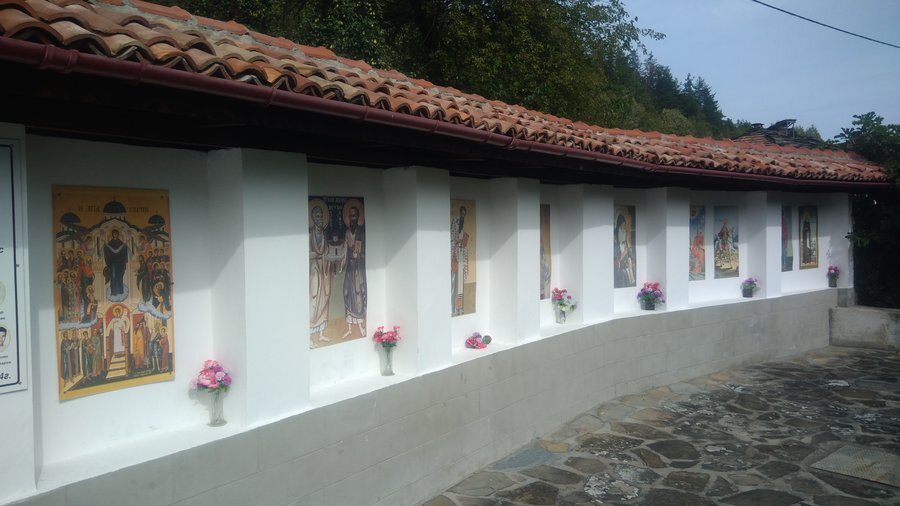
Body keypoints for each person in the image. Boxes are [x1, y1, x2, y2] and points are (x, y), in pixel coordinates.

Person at [341, 205, 366, 338]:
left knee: (357, 294)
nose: (352, 218)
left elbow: (359, 250)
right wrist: (342, 262)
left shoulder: (360, 231)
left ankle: (361, 326)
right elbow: (346, 249)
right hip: (350, 267)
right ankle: (349, 327)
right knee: (346, 292)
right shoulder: (347, 232)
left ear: (358, 217)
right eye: (351, 216)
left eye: (355, 216)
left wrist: (358, 253)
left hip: (357, 267)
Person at [309, 204, 332, 342]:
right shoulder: (309, 234)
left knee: (325, 297)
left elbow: (327, 251)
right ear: (313, 218)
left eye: (321, 216)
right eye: (317, 216)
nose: (320, 219)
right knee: (314, 300)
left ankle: (321, 334)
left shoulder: (323, 234)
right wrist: (315, 255)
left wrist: (333, 257)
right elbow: (305, 254)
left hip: (324, 270)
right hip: (314, 270)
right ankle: (311, 336)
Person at [451, 205, 469, 315]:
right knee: (454, 283)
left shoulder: (463, 231)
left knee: (460, 285)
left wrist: (463, 242)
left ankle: (460, 307)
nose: (463, 216)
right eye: (461, 214)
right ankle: (453, 308)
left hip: (461, 258)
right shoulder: (455, 222)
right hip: (455, 259)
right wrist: (458, 242)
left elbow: (463, 242)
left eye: (464, 215)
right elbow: (454, 239)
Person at [104, 229, 128, 298]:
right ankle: (113, 292)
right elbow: (108, 251)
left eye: (116, 233)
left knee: (120, 276)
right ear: (112, 235)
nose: (115, 235)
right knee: (113, 276)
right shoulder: (110, 243)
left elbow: (123, 250)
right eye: (114, 233)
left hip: (120, 262)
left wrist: (125, 246)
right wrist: (106, 246)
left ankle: (120, 291)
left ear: (118, 234)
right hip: (113, 262)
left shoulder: (121, 243)